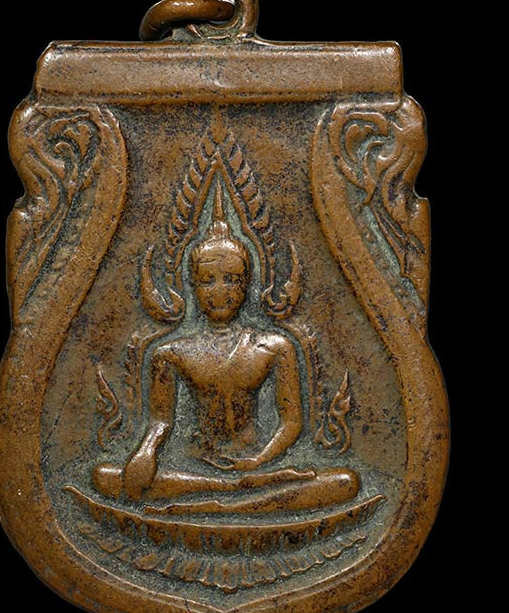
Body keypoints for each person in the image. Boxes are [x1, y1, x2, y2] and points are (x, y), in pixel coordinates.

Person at [93, 184, 359, 512]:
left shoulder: (275, 347)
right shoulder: (170, 354)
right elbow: (161, 422)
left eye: (231, 280)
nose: (220, 292)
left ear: (248, 284)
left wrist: (258, 461)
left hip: (259, 464)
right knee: (104, 476)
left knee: (344, 482)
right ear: (192, 286)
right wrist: (146, 451)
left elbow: (291, 423)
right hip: (195, 467)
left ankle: (220, 499)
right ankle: (232, 495)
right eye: (209, 281)